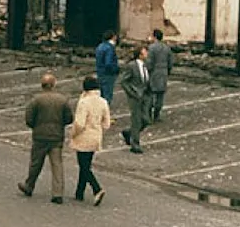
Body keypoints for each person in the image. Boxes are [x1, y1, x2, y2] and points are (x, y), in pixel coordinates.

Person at [17, 73, 74, 204]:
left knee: (36, 163)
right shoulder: (62, 100)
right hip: (56, 136)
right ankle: (57, 193)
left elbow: (29, 119)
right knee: (57, 164)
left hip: (40, 136)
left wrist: (36, 126)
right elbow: (69, 118)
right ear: (54, 84)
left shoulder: (36, 100)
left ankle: (29, 185)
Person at [70, 74, 110, 206]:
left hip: (84, 137)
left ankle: (96, 188)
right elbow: (106, 124)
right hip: (96, 136)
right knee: (86, 164)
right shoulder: (103, 102)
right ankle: (79, 192)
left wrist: (73, 134)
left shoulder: (84, 102)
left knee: (83, 165)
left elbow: (79, 123)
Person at [119, 45, 151, 154]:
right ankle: (135, 144)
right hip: (135, 97)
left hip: (145, 95)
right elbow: (123, 81)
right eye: (145, 52)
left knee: (146, 119)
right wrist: (131, 92)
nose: (147, 54)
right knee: (136, 120)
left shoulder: (146, 65)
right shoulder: (132, 66)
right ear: (140, 55)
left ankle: (129, 132)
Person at [147, 29, 173, 123]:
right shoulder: (167, 48)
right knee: (160, 96)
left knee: (150, 94)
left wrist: (147, 70)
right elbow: (170, 62)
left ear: (154, 37)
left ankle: (148, 115)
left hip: (154, 73)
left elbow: (149, 62)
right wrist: (167, 71)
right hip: (163, 72)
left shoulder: (151, 48)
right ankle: (157, 115)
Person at [94, 30, 119, 107]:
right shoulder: (109, 48)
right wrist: (115, 70)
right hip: (108, 74)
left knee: (101, 95)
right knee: (107, 96)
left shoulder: (100, 46)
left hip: (100, 73)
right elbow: (108, 63)